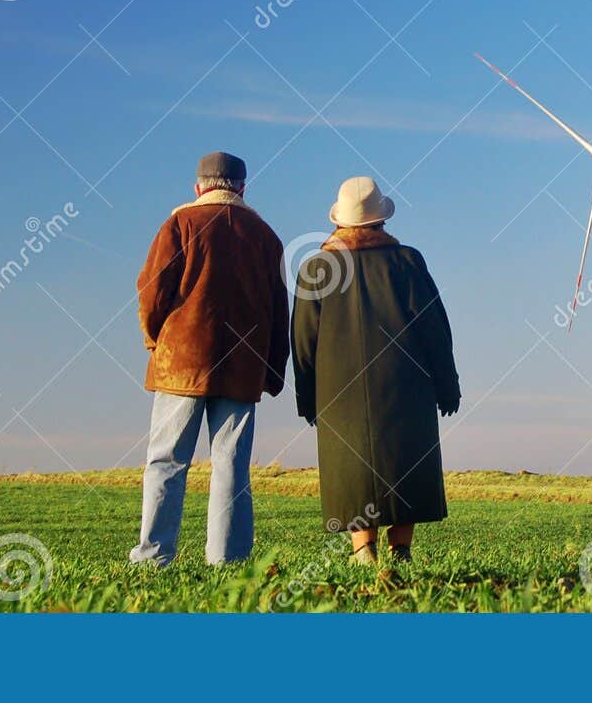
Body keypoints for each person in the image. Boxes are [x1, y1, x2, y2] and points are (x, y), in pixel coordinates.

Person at [129, 151, 288, 567]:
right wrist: (273, 369)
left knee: (166, 461)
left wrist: (154, 340)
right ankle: (229, 560)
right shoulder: (266, 236)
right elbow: (278, 307)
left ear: (198, 187)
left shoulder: (180, 223)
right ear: (242, 187)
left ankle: (154, 557)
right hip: (243, 365)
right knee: (232, 466)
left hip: (181, 364)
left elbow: (151, 291)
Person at [292, 176, 460, 564]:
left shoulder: (316, 267)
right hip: (406, 385)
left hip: (338, 394)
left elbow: (302, 341)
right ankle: (401, 549)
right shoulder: (407, 261)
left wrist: (306, 396)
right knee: (405, 463)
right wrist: (446, 384)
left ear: (338, 221)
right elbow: (435, 328)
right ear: (381, 220)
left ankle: (362, 549)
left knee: (354, 468)